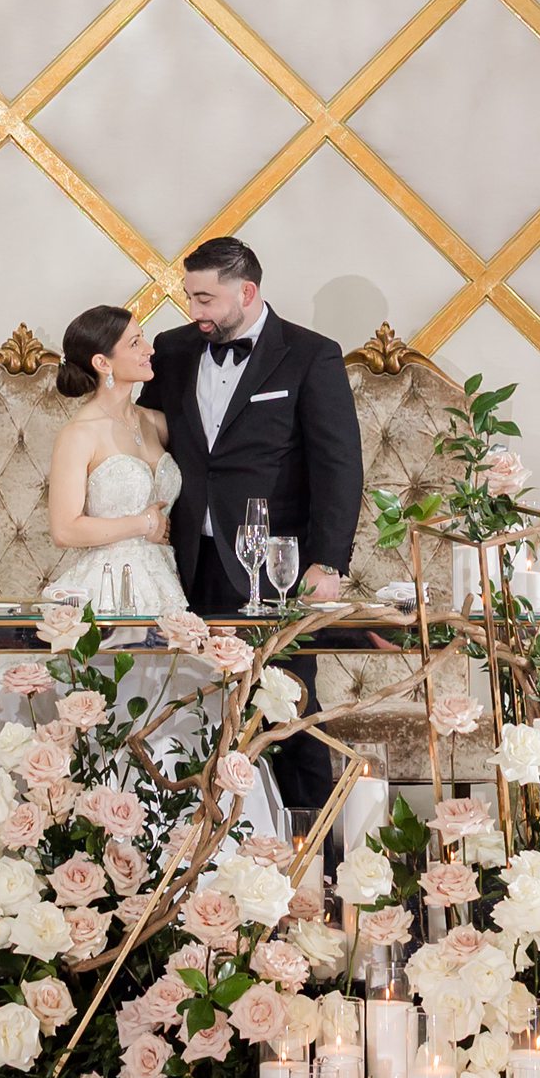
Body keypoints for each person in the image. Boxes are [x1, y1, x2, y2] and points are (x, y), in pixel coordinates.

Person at [145, 237, 363, 807]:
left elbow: (338, 466)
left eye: (206, 300)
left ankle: (313, 850)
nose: (196, 313)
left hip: (276, 567)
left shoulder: (311, 354)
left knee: (286, 709)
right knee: (190, 706)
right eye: (191, 299)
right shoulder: (170, 350)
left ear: (246, 291)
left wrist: (329, 561)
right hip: (184, 561)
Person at [41, 304, 189, 617]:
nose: (149, 350)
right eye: (135, 343)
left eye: (143, 338)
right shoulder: (78, 434)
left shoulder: (155, 422)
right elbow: (64, 530)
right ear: (102, 362)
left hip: (166, 580)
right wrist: (144, 523)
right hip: (107, 587)